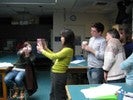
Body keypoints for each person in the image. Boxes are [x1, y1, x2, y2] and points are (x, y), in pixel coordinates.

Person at [36, 28, 75, 100]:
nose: (61, 38)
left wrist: (41, 50)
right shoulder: (65, 48)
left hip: (59, 75)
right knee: (53, 93)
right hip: (55, 73)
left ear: (67, 38)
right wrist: (46, 48)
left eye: (62, 37)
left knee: (58, 95)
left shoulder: (68, 49)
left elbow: (53, 56)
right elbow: (55, 57)